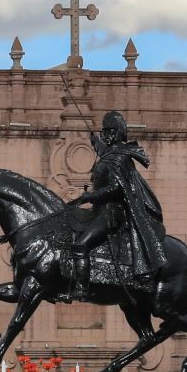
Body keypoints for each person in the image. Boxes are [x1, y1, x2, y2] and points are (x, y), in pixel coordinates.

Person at [66, 110, 168, 290]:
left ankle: (81, 289)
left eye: (108, 132)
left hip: (111, 213)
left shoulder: (120, 157)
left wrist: (90, 195)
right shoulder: (111, 153)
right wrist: (94, 141)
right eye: (104, 132)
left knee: (80, 245)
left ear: (116, 133)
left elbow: (116, 187)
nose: (105, 135)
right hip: (99, 211)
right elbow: (104, 151)